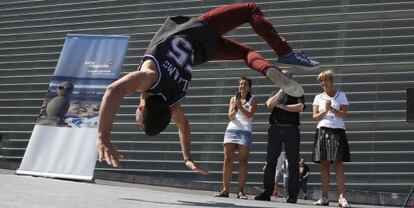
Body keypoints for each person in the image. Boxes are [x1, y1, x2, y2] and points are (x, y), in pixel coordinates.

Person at [95, 3, 319, 175]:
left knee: (245, 53)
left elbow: (183, 126)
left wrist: (187, 158)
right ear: (142, 105)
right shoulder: (149, 78)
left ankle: (267, 68)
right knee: (250, 9)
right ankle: (286, 52)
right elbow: (113, 91)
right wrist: (103, 137)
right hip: (195, 31)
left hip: (204, 50)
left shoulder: (173, 101)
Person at [255, 70, 305, 204]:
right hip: (275, 129)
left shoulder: (298, 91)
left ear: (292, 77)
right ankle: (267, 192)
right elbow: (269, 104)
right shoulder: (276, 92)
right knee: (270, 161)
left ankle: (292, 195)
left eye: (288, 76)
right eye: (283, 76)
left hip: (292, 130)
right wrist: (281, 91)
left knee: (293, 163)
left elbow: (300, 107)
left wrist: (282, 106)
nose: (285, 78)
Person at [312, 69, 351, 207]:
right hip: (323, 129)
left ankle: (342, 198)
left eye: (326, 80)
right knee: (325, 164)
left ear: (331, 80)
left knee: (338, 163)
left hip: (338, 130)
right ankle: (324, 197)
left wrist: (333, 110)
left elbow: (345, 114)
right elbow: (314, 117)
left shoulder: (341, 95)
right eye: (321, 81)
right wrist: (325, 110)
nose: (323, 83)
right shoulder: (318, 97)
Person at [215, 77, 257, 199]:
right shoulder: (233, 99)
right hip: (231, 130)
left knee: (243, 161)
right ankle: (225, 190)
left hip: (245, 131)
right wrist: (236, 106)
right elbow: (230, 116)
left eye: (244, 84)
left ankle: (240, 191)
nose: (242, 86)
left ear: (249, 87)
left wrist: (241, 106)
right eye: (240, 84)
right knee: (227, 160)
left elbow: (249, 115)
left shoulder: (253, 99)